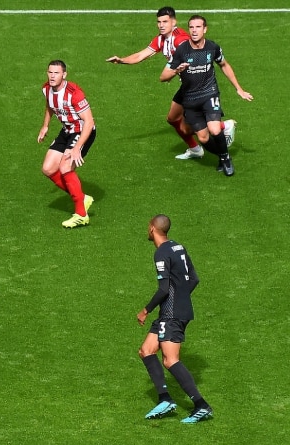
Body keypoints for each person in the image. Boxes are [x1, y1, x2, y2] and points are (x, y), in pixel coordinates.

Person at [106, 6, 236, 160]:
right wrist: (122, 60)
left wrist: (172, 73)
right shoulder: (162, 39)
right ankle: (196, 148)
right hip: (187, 85)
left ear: (174, 22)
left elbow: (171, 71)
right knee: (174, 119)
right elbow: (141, 55)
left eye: (165, 22)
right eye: (159, 22)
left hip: (196, 87)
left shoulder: (180, 41)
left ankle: (223, 127)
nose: (161, 25)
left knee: (191, 124)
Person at [136, 214, 212, 423]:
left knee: (170, 360)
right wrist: (181, 298)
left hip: (171, 313)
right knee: (146, 350)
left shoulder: (161, 253)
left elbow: (162, 289)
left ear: (152, 228)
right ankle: (165, 399)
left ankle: (201, 405)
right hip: (174, 311)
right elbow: (194, 278)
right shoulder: (178, 247)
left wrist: (145, 309)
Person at [160, 15, 253, 176]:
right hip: (189, 99)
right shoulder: (182, 50)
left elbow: (224, 64)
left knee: (215, 130)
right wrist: (176, 71)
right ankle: (222, 154)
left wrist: (239, 88)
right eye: (191, 27)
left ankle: (225, 158)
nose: (194, 30)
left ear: (205, 29)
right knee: (203, 138)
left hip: (209, 93)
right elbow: (163, 77)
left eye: (198, 27)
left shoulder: (212, 48)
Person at [37, 60, 96, 229]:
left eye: (56, 73)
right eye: (50, 72)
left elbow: (89, 121)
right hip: (67, 130)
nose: (52, 76)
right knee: (48, 169)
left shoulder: (74, 93)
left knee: (65, 167)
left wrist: (77, 148)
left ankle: (81, 215)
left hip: (83, 131)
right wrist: (45, 125)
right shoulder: (46, 89)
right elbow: (49, 105)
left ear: (64, 75)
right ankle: (81, 198)